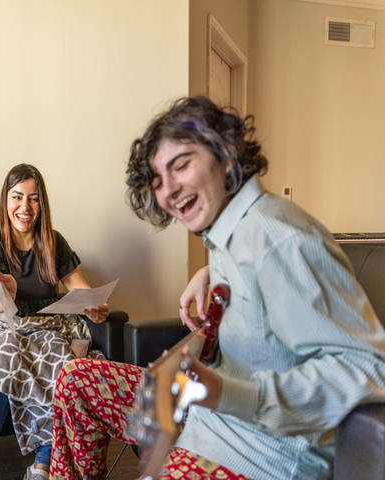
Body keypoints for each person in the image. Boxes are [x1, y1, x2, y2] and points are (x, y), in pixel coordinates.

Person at [48, 97, 385, 480]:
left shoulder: (276, 240)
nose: (169, 190)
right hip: (205, 419)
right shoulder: (228, 236)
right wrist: (207, 280)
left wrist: (225, 393)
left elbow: (367, 369)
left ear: (225, 156)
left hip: (260, 452)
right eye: (158, 179)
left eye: (181, 165)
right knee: (75, 379)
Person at [0, 163, 109, 480]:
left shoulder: (54, 241)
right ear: (5, 200)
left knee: (63, 360)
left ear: (42, 204)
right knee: (4, 351)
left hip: (45, 326)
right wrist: (9, 290)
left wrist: (95, 306)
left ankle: (42, 467)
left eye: (33, 199)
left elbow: (81, 287)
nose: (25, 207)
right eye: (17, 197)